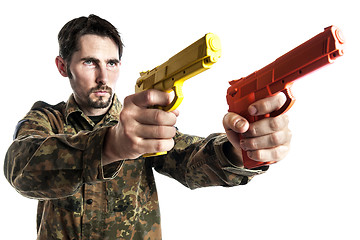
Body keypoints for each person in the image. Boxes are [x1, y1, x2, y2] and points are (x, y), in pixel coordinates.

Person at [4, 14, 292, 240]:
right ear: (62, 66)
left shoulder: (140, 122)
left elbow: (189, 157)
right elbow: (20, 168)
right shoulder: (46, 118)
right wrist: (109, 146)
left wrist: (236, 151)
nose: (104, 76)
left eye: (112, 63)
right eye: (90, 62)